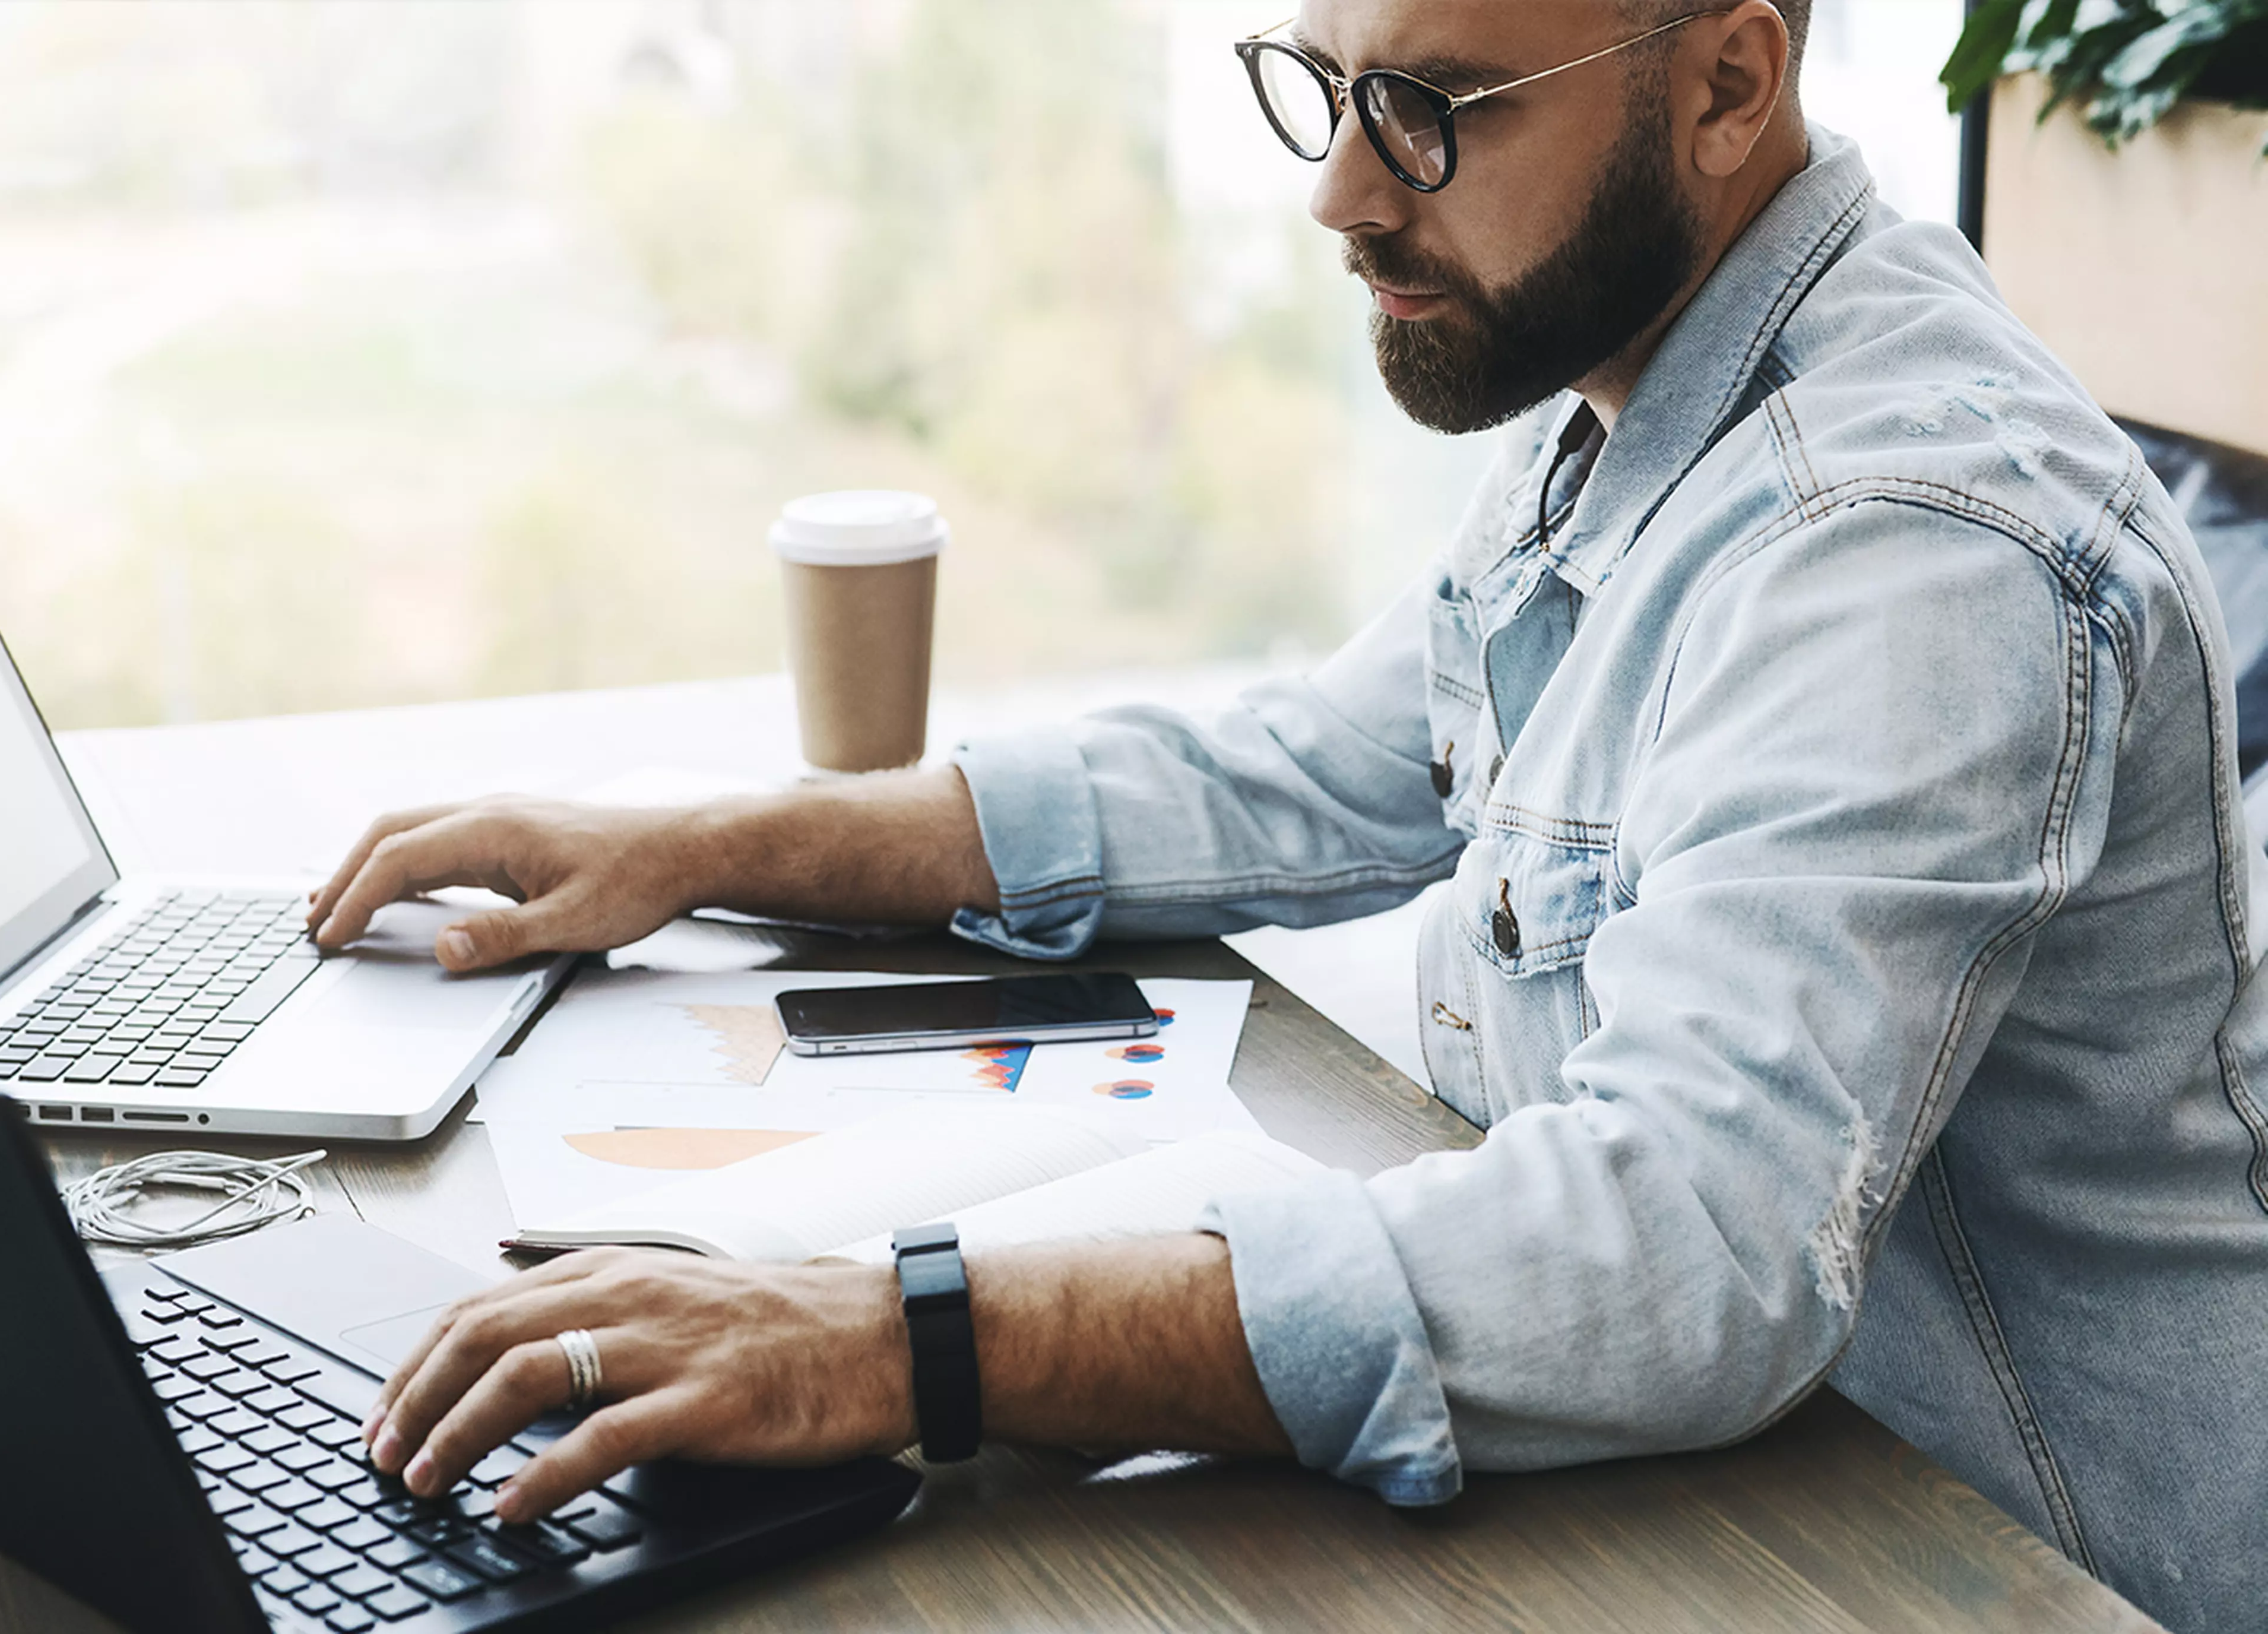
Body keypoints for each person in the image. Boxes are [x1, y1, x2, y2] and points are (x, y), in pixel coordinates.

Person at [306, 4, 2268, 1630]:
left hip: (1997, 1562)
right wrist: (697, 848)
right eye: (1325, 82)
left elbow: (1679, 1248)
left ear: (1728, 85)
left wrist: (889, 1337)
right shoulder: (1650, 374)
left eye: (1426, 112)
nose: (1338, 190)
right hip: (1725, 1496)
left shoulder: (1910, 551)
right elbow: (1307, 765)